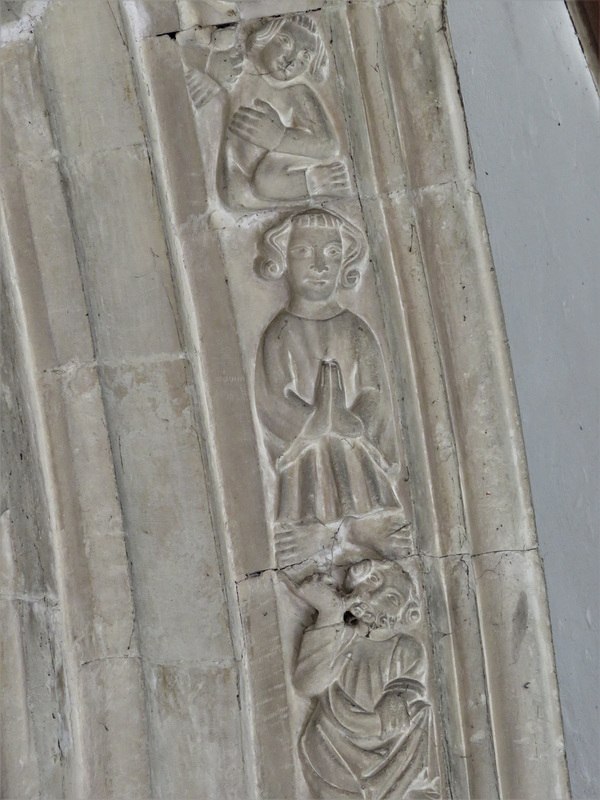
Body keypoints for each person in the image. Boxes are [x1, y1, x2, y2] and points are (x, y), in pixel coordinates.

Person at [254, 209, 410, 565]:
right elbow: (273, 397)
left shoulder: (355, 329)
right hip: (306, 451)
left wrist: (350, 419)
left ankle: (359, 531)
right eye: (304, 252)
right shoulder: (280, 332)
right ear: (282, 261)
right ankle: (321, 537)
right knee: (314, 462)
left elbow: (374, 391)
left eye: (332, 253)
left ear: (345, 265)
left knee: (350, 454)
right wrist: (318, 418)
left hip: (352, 442)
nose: (320, 265)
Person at [292, 560, 441, 800]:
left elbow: (410, 688)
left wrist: (397, 696)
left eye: (392, 598)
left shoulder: (406, 647)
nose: (377, 596)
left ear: (402, 613)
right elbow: (306, 684)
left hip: (390, 743)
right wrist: (329, 613)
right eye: (371, 585)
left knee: (422, 713)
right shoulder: (340, 636)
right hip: (332, 743)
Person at [183, 15, 350, 209]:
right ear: (264, 36)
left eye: (305, 56)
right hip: (231, 181)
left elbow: (329, 144)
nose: (291, 60)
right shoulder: (239, 71)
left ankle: (315, 182)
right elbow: (186, 55)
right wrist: (211, 66)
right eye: (286, 41)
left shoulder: (297, 93)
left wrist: (279, 138)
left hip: (269, 177)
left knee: (266, 181)